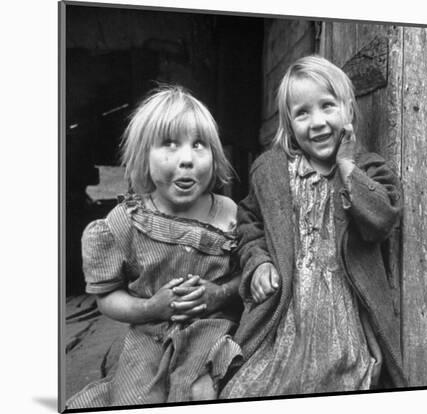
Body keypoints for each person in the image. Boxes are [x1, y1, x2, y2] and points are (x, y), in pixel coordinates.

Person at [220, 55, 407, 398]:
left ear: (348, 110)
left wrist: (347, 167)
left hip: (342, 315)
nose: (317, 122)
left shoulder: (369, 169)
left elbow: (380, 220)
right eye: (302, 113)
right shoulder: (272, 171)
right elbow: (248, 223)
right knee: (245, 387)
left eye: (327, 106)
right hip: (285, 310)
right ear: (289, 123)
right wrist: (258, 262)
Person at [66, 85, 242, 409]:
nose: (186, 159)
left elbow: (247, 273)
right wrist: (150, 308)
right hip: (149, 337)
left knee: (212, 390)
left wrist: (220, 294)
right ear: (143, 158)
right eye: (169, 145)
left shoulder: (231, 214)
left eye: (199, 146)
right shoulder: (127, 221)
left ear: (215, 158)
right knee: (135, 398)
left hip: (215, 332)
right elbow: (106, 297)